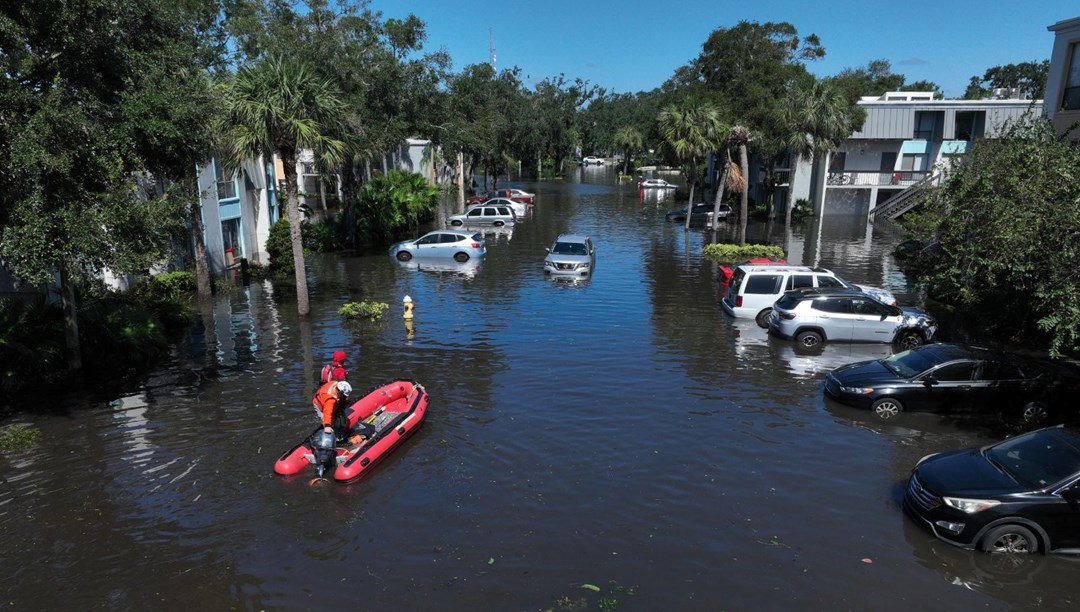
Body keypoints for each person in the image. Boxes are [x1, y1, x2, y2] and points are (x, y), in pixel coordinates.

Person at [312, 380, 364, 445]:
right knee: (325, 419)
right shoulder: (330, 399)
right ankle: (329, 438)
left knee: (340, 416)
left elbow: (344, 397)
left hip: (330, 399)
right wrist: (327, 425)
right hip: (320, 404)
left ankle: (339, 433)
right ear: (339, 391)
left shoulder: (336, 385)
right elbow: (327, 412)